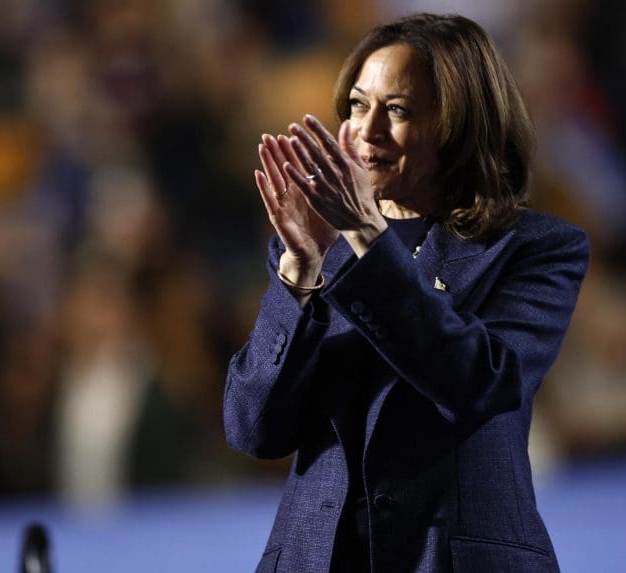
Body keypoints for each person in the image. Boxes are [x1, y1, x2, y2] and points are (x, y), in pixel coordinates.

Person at [224, 13, 589, 573]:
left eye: (396, 110)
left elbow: (474, 384)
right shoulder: (311, 250)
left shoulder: (536, 248)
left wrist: (369, 235)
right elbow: (253, 430)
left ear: (460, 124)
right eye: (357, 105)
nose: (367, 132)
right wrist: (299, 269)